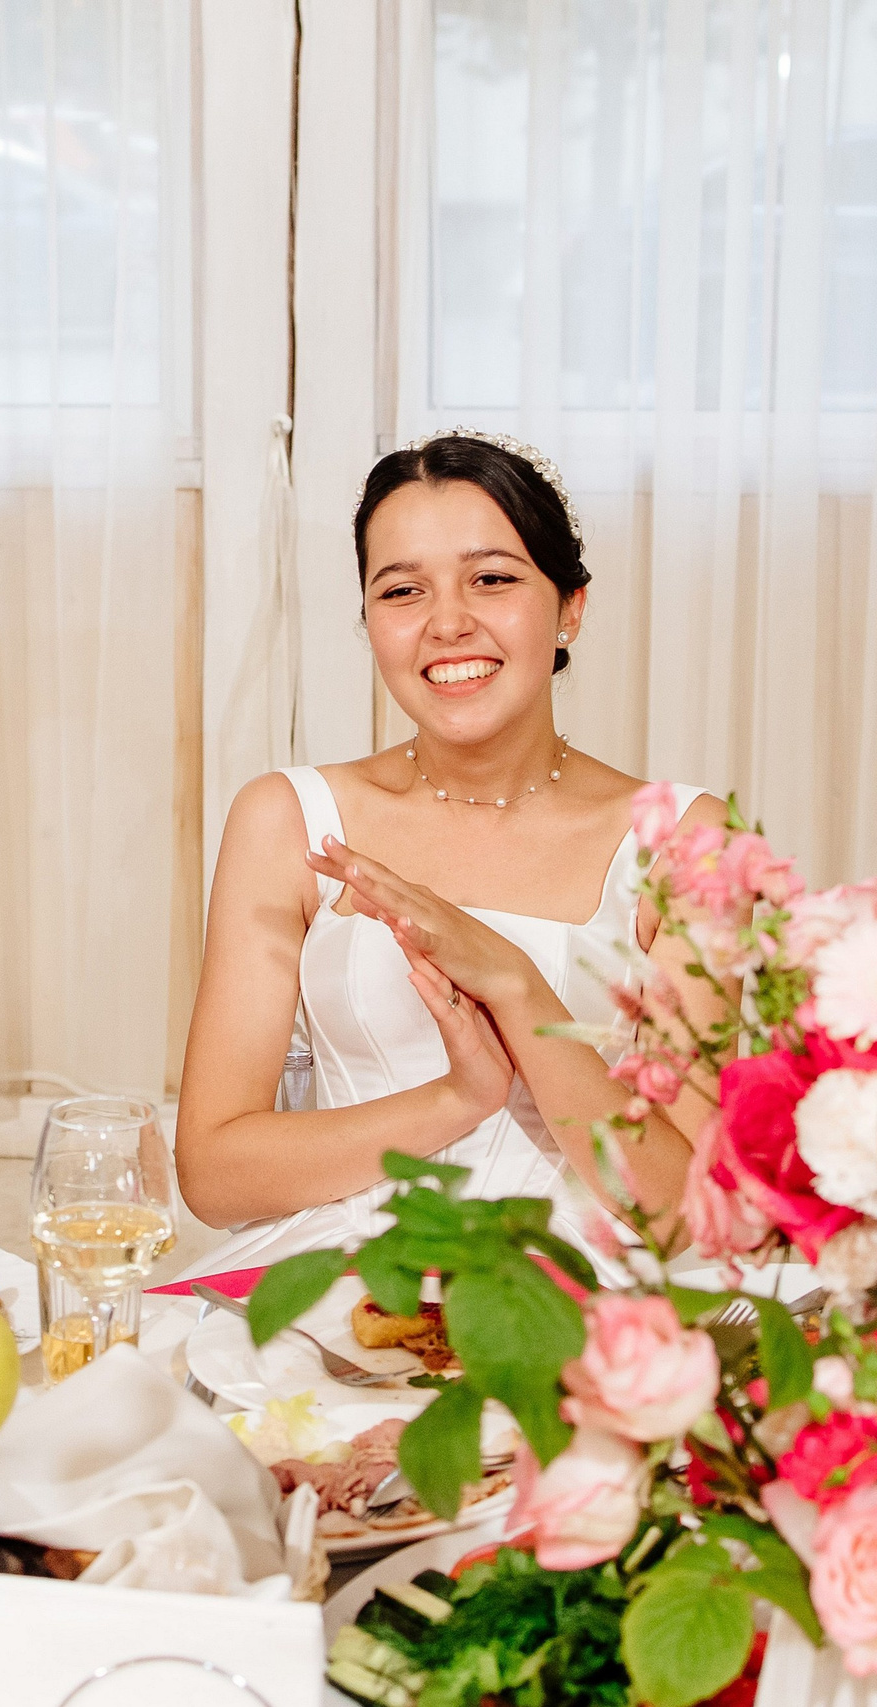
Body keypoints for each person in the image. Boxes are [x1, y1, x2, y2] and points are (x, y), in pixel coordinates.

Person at [173, 432, 729, 1271]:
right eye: (403, 590)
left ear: (570, 605)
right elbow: (214, 1173)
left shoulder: (685, 839)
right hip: (339, 1272)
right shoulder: (288, 819)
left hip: (584, 1295)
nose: (447, 623)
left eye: (493, 578)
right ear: (369, 622)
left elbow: (683, 1213)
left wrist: (510, 981)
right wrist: (455, 1099)